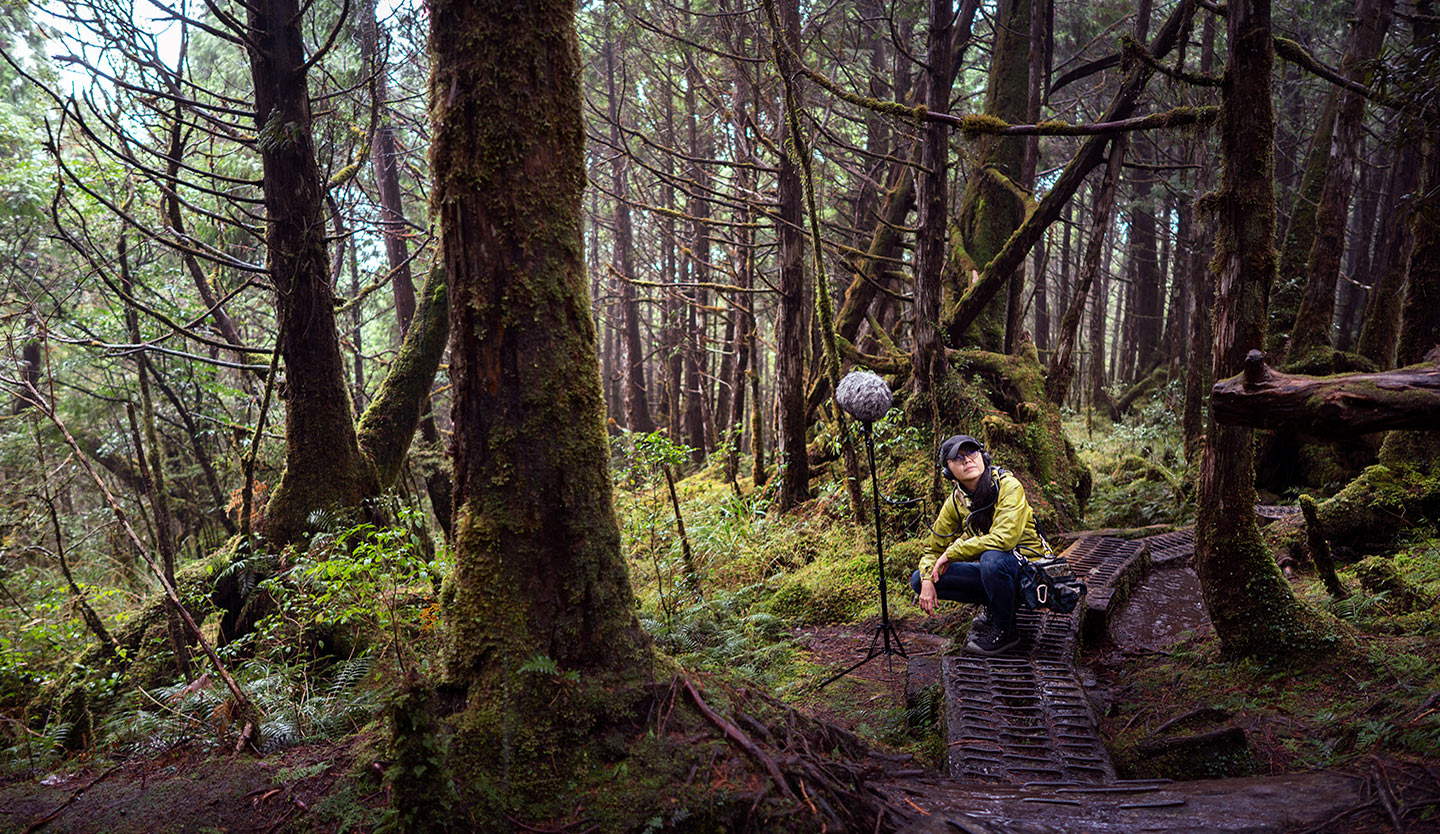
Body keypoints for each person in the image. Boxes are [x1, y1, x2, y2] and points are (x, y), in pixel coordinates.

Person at [910, 434, 1049, 655]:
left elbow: (1005, 539)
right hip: (996, 569)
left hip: (1028, 570)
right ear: (948, 471)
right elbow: (933, 550)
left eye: (972, 453)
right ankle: (997, 606)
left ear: (983, 456)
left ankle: (1006, 631)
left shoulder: (1008, 486)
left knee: (991, 559)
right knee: (919, 579)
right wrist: (927, 577)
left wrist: (953, 552)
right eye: (958, 457)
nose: (967, 460)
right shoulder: (956, 502)